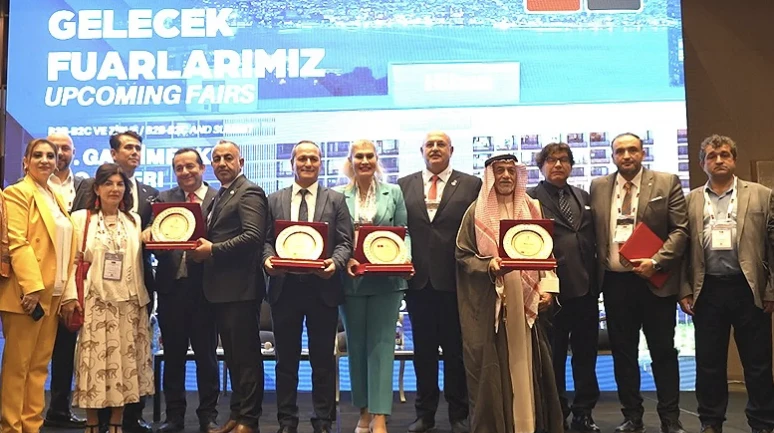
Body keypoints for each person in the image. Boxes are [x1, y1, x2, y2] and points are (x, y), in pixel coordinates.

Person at [455, 153, 563, 433]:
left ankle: (530, 426)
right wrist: (489, 265)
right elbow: (463, 256)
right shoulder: (475, 212)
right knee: (498, 367)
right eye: (499, 171)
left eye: (511, 171)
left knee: (528, 365)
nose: (505, 176)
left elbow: (547, 253)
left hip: (527, 301)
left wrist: (549, 290)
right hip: (495, 301)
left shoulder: (532, 208)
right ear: (490, 176)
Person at [589, 133, 688, 433]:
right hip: (615, 284)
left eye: (632, 150)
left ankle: (670, 419)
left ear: (643, 153)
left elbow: (680, 231)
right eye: (620, 151)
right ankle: (632, 416)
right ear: (612, 156)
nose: (626, 155)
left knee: (663, 352)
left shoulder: (666, 182)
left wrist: (656, 262)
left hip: (655, 281)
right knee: (623, 354)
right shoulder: (599, 186)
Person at [679, 134, 774, 433]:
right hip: (707, 289)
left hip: (749, 288)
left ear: (734, 159)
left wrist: (771, 289)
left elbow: (772, 247)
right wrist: (684, 290)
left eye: (724, 155)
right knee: (709, 362)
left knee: (758, 363)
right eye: (711, 156)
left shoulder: (762, 195)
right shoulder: (690, 200)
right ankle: (710, 421)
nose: (718, 160)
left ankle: (762, 422)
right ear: (702, 163)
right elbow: (682, 250)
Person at [263, 140, 353, 433]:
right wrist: (267, 261)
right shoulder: (274, 199)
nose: (308, 163)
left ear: (320, 163)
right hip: (284, 289)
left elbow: (345, 242)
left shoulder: (335, 200)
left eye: (313, 158)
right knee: (285, 363)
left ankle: (323, 421)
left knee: (323, 361)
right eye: (302, 158)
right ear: (292, 163)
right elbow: (265, 241)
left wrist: (335, 264)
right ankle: (286, 421)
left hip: (322, 289)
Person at [71, 131, 158, 433]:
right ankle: (93, 423)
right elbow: (73, 263)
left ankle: (117, 423)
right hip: (95, 303)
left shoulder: (134, 221)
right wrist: (70, 298)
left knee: (125, 366)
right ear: (97, 188)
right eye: (108, 183)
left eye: (120, 184)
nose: (115, 189)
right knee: (93, 365)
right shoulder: (81, 219)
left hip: (129, 305)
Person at [397, 131, 480, 433]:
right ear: (421, 150)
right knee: (424, 353)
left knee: (456, 353)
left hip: (456, 282)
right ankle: (425, 414)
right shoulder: (403, 185)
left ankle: (459, 414)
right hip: (418, 284)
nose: (435, 149)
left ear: (451, 150)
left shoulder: (471, 184)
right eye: (429, 145)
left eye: (440, 144)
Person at [190, 140, 268, 433]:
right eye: (217, 159)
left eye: (228, 158)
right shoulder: (221, 194)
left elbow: (253, 237)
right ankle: (237, 414)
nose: (222, 163)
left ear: (241, 162)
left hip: (240, 290)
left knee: (246, 358)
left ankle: (249, 419)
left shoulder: (249, 192)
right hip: (220, 291)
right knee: (234, 358)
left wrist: (212, 250)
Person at [0, 138, 77, 433]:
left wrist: (66, 292)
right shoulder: (17, 193)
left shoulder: (54, 196)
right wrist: (31, 287)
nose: (45, 160)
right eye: (38, 155)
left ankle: (31, 426)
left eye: (50, 156)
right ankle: (11, 427)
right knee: (17, 367)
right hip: (26, 294)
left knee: (38, 368)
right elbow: (17, 241)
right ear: (25, 162)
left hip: (53, 293)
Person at [334, 139, 410, 433]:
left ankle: (379, 415)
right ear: (350, 161)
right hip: (351, 281)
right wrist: (346, 261)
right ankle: (363, 411)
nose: (364, 161)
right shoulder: (338, 195)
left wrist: (405, 259)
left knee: (382, 346)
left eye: (370, 156)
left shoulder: (394, 193)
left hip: (387, 282)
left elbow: (404, 232)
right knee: (356, 348)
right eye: (359, 156)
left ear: (377, 160)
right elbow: (337, 238)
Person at [528, 143, 600, 432]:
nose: (558, 165)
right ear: (541, 166)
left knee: (586, 356)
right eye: (551, 160)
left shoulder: (582, 196)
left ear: (571, 165)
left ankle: (584, 412)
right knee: (553, 357)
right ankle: (557, 412)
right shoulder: (530, 199)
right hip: (550, 292)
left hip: (585, 290)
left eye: (563, 160)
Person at [151, 148, 220, 433]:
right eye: (179, 168)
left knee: (207, 357)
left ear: (202, 168)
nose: (185, 172)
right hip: (172, 290)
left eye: (190, 166)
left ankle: (208, 416)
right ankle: (174, 417)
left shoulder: (219, 198)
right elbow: (152, 236)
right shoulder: (164, 199)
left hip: (205, 290)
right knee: (173, 357)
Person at [45, 132, 89, 429]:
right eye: (54, 148)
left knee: (64, 348)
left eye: (65, 148)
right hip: (40, 279)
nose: (60, 153)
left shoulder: (85, 185)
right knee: (31, 352)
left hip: (73, 279)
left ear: (74, 151)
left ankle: (59, 409)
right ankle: (18, 410)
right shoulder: (32, 187)